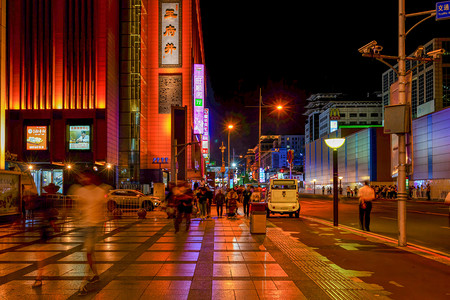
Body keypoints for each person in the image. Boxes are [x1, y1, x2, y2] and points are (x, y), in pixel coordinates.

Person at [69, 171, 110, 295]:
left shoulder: (99, 191)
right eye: (82, 177)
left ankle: (85, 282)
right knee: (90, 252)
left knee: (88, 252)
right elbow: (75, 206)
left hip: (93, 226)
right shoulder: (80, 191)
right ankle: (95, 274)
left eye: (86, 177)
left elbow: (105, 207)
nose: (84, 179)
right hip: (85, 225)